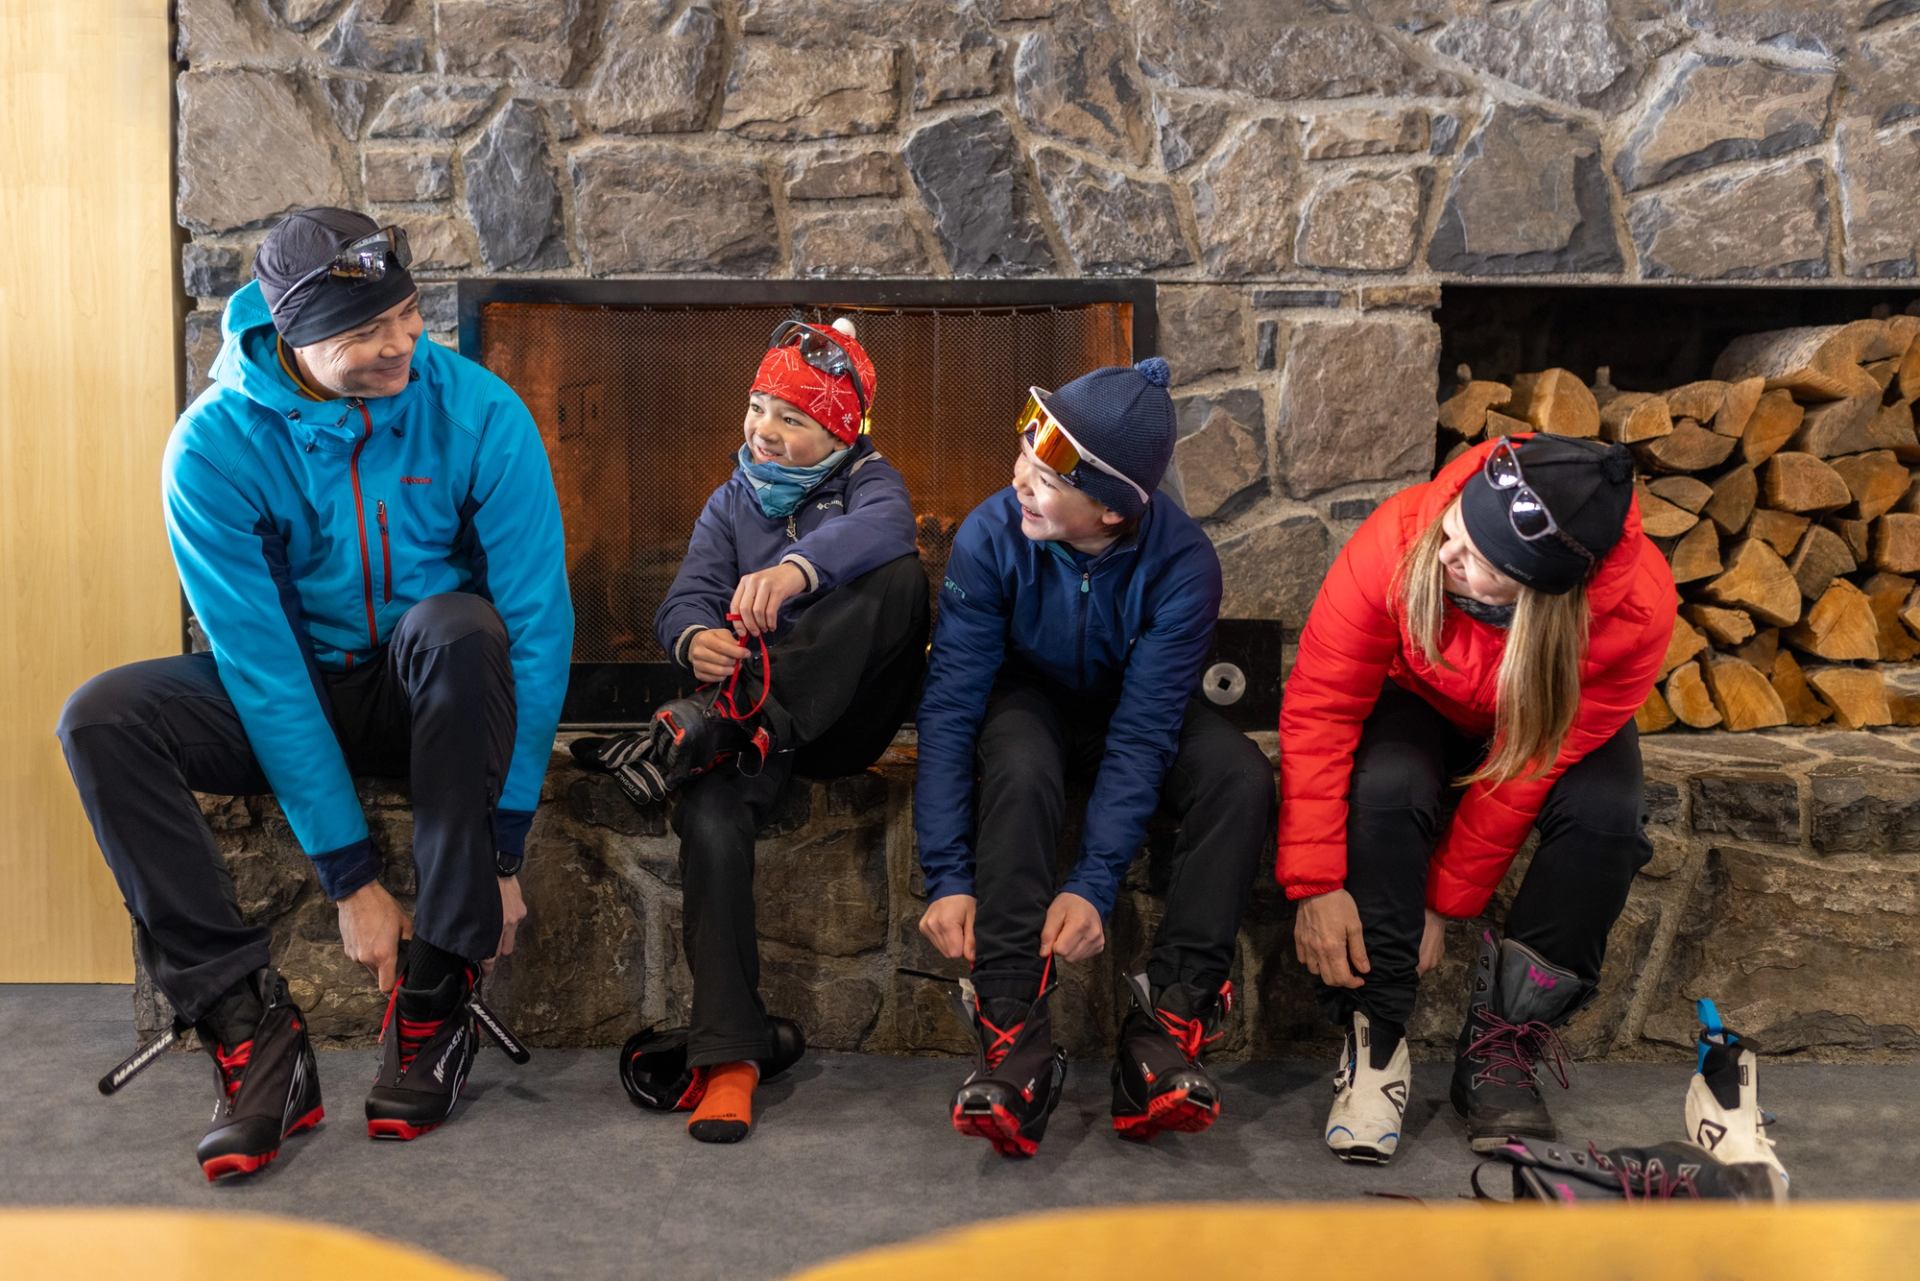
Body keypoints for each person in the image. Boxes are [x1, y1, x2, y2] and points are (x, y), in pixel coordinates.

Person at [57, 208, 572, 1178]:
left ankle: (436, 994)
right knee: (102, 717)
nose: (401, 342)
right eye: (365, 332)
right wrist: (351, 879)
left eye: (409, 312)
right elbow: (261, 670)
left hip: (427, 690)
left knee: (462, 626)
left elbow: (540, 628)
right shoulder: (210, 452)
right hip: (292, 690)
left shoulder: (480, 411)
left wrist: (504, 845)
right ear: (289, 335)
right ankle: (249, 1029)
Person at [574, 317, 926, 1144]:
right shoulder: (732, 499)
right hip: (748, 736)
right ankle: (730, 1056)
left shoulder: (872, 484)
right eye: (758, 406)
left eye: (792, 419)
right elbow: (685, 597)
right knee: (708, 812)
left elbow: (887, 530)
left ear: (839, 431)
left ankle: (712, 729)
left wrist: (797, 569)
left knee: (900, 579)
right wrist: (692, 636)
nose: (764, 429)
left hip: (838, 721)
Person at [1278, 433, 1676, 1164]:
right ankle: (1379, 1042)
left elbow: (1527, 766)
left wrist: (1446, 899)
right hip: (1420, 699)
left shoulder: (1634, 613)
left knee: (1608, 819)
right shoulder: (1405, 534)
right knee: (1389, 787)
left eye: (1477, 563)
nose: (1445, 556)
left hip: (1540, 718)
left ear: (1540, 594)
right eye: (1456, 529)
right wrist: (1315, 880)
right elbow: (1323, 705)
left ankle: (1502, 1051)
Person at [911, 357, 1273, 1159]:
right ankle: (1012, 1033)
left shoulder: (1184, 566)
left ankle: (1166, 1029)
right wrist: (947, 872)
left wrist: (1092, 884)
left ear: (1110, 512)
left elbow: (1144, 731)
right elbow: (949, 707)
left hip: (1129, 711)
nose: (1019, 482)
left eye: (1046, 477)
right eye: (1025, 460)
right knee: (1020, 763)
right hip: (1027, 703)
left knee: (1242, 777)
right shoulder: (989, 534)